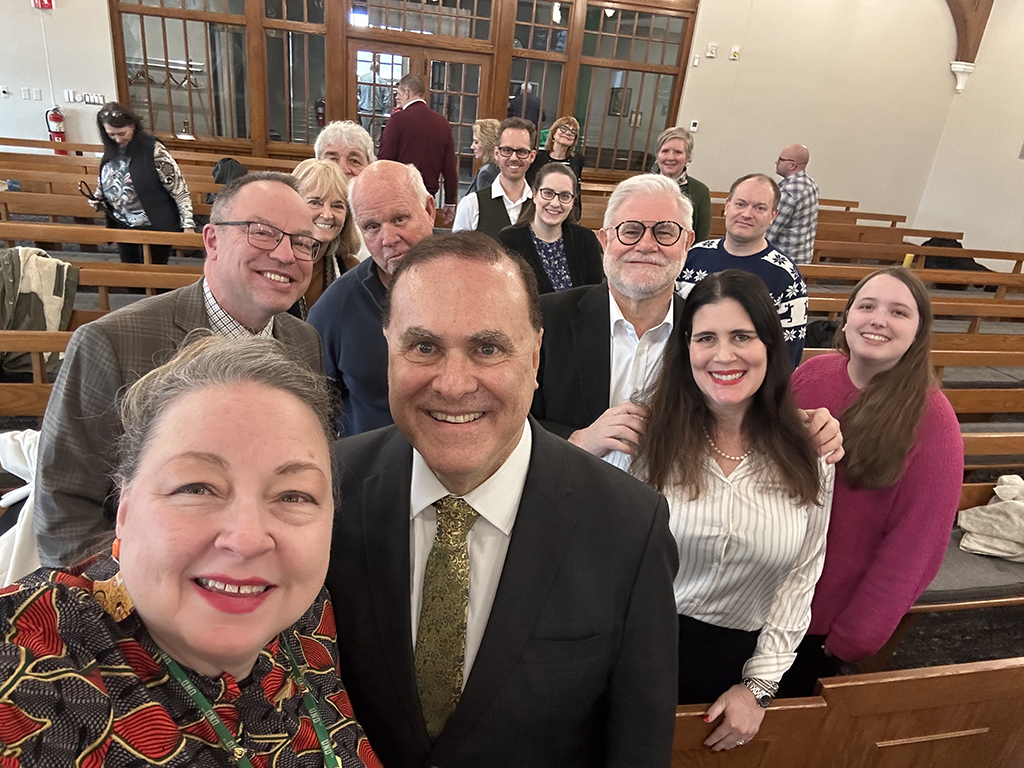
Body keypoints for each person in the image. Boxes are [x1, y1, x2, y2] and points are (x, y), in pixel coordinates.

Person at [328, 231, 679, 768]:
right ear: (388, 347)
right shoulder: (326, 491)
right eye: (423, 347)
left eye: (487, 348)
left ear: (535, 356)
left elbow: (637, 745)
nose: (452, 383)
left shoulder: (629, 527)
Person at [0, 335, 375, 767]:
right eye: (196, 488)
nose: (248, 539)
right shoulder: (27, 669)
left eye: (294, 495)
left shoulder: (307, 617)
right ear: (124, 507)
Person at [35, 172, 324, 567]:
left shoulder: (305, 342)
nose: (286, 255)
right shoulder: (112, 344)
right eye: (262, 232)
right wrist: (135, 602)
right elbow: (64, 507)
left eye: (303, 243)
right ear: (212, 241)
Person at [632, 269, 834, 752]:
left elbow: (801, 576)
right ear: (686, 351)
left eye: (742, 336)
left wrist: (759, 686)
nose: (723, 355)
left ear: (770, 345)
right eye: (706, 338)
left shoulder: (810, 449)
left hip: (733, 662)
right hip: (634, 648)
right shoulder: (645, 436)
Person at [532, 174, 843, 472]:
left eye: (665, 231)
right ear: (604, 239)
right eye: (630, 230)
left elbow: (751, 412)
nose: (646, 245)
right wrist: (576, 440)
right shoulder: (546, 319)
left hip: (680, 515)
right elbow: (510, 420)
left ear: (687, 243)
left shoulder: (709, 334)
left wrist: (808, 428)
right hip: (569, 495)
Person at [778, 268, 964, 696]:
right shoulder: (813, 374)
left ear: (918, 333)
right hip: (758, 589)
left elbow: (914, 550)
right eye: (866, 306)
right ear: (847, 319)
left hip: (817, 622)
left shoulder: (933, 423)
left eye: (898, 312)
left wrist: (849, 640)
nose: (878, 319)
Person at [308, 160, 436, 436]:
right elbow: (313, 409)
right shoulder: (336, 307)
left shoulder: (476, 285)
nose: (388, 239)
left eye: (399, 219)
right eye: (371, 227)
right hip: (375, 469)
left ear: (429, 210)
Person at [678, 173, 808, 370]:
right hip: (685, 375)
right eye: (740, 204)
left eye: (759, 208)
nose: (747, 214)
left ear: (773, 216)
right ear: (727, 206)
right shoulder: (692, 257)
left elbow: (787, 357)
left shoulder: (785, 276)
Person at [90, 102, 194, 265]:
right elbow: (105, 182)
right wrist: (98, 198)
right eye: (111, 135)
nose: (117, 139)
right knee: (131, 276)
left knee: (154, 276)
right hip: (123, 224)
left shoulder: (153, 150)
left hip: (154, 225)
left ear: (133, 126)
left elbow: (179, 190)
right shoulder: (111, 152)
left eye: (122, 133)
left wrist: (188, 225)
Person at [498, 163, 602, 293]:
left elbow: (594, 295)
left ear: (572, 201)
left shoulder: (586, 240)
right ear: (534, 195)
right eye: (548, 193)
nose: (555, 203)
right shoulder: (509, 240)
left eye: (564, 196)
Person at [378, 74, 458, 225]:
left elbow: (385, 162)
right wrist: (450, 201)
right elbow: (449, 167)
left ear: (407, 92)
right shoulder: (442, 123)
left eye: (398, 93)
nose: (396, 98)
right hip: (427, 197)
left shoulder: (398, 120)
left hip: (399, 196)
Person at [291, 158, 362, 316]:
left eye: (337, 206)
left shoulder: (351, 269)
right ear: (292, 204)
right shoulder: (272, 260)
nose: (327, 215)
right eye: (315, 202)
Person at [453, 117, 535, 239]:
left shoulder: (542, 206)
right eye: (507, 150)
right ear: (496, 153)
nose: (513, 157)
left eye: (521, 151)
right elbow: (457, 255)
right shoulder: (471, 205)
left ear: (532, 156)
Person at [652, 126, 711, 243]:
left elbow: (700, 238)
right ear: (657, 155)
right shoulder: (640, 187)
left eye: (677, 152)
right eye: (665, 151)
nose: (670, 157)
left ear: (688, 157)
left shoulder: (700, 191)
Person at [766, 144, 819, 265]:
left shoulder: (789, 191)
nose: (777, 162)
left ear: (792, 165)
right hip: (803, 255)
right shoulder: (810, 184)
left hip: (783, 258)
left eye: (781, 159)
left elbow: (770, 230)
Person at [525, 115, 584, 219]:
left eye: (573, 131)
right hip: (537, 211)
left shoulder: (577, 160)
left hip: (566, 212)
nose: (568, 133)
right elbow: (531, 185)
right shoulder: (538, 158)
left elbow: (576, 191)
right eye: (564, 128)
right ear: (553, 133)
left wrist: (577, 215)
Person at [466, 118, 501, 195]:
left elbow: (483, 205)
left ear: (487, 143)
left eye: (476, 142)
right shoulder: (497, 168)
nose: (472, 146)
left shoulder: (487, 173)